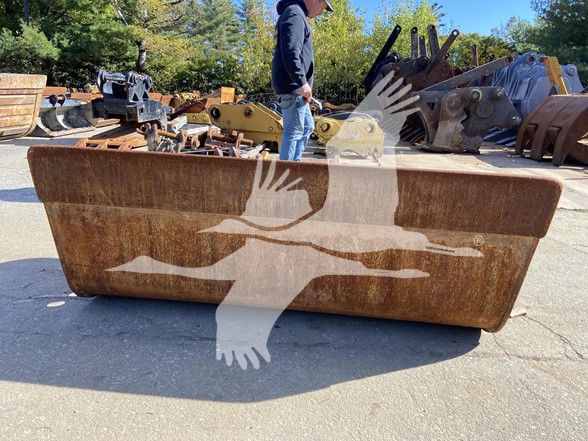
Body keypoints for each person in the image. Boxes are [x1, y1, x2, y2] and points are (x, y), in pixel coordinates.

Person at [271, 0, 333, 161]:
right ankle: (286, 170)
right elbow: (291, 51)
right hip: (293, 87)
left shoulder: (296, 13)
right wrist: (302, 82)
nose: (321, 13)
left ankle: (295, 165)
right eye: (322, 7)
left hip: (295, 87)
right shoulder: (295, 14)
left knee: (306, 127)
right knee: (294, 130)